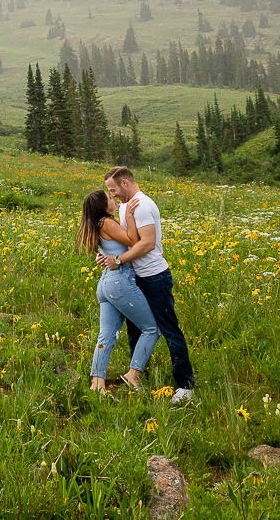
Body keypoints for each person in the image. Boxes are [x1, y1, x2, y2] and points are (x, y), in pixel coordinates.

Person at [96, 166, 196, 403]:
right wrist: (104, 256)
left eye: (113, 190)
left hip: (154, 277)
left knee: (168, 329)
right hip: (134, 278)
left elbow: (147, 244)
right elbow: (122, 240)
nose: (112, 196)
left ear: (125, 183)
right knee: (135, 330)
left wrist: (118, 260)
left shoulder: (142, 206)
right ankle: (137, 377)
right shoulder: (124, 208)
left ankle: (185, 386)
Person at [78, 189, 159, 393]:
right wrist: (130, 216)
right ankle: (133, 375)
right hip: (120, 282)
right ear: (103, 207)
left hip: (106, 284)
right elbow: (133, 240)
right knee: (151, 329)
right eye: (110, 199)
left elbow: (108, 250)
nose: (114, 201)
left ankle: (97, 384)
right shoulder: (106, 222)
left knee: (106, 336)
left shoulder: (96, 225)